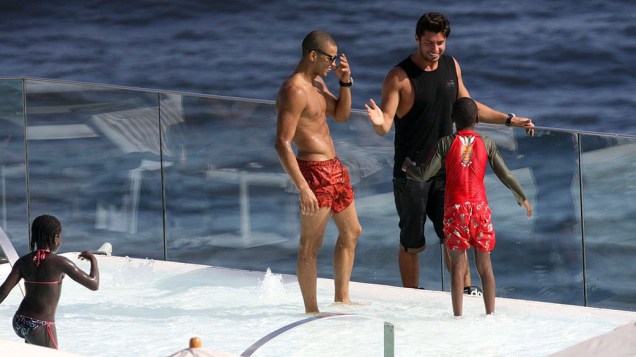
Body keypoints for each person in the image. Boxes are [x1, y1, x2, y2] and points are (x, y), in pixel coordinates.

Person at [365, 12, 534, 291]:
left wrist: (509, 120)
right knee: (412, 243)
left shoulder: (451, 66)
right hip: (412, 175)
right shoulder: (399, 77)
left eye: (440, 43)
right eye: (429, 43)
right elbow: (385, 122)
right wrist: (379, 122)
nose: (435, 49)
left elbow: (470, 106)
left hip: (449, 170)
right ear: (417, 38)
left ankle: (465, 291)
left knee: (454, 236)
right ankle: (412, 295)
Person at [402, 97, 533, 316]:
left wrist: (409, 168)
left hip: (455, 210)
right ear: (478, 119)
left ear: (452, 119)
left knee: (458, 267)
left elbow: (425, 174)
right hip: (480, 209)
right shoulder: (487, 143)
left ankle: (458, 316)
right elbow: (506, 174)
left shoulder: (446, 143)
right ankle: (490, 314)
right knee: (485, 267)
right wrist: (522, 197)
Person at [275, 30, 362, 314]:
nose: (333, 64)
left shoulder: (318, 83)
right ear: (313, 55)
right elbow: (282, 142)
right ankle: (311, 311)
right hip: (313, 172)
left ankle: (342, 299)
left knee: (352, 232)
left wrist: (345, 81)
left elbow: (341, 115)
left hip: (335, 168)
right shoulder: (294, 90)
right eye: (330, 58)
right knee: (310, 246)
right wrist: (302, 187)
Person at [0, 214, 99, 349]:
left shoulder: (23, 261)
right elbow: (94, 284)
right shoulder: (61, 262)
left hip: (19, 321)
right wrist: (93, 259)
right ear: (55, 238)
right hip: (40, 325)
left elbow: (2, 293)